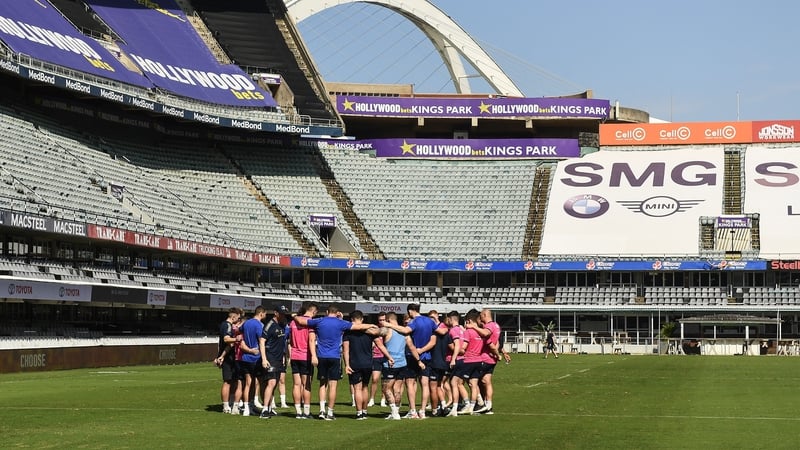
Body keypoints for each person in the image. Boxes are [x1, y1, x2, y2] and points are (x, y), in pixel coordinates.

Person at [294, 305, 377, 420]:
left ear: (327, 312)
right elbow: (358, 326)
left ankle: (322, 411)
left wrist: (294, 316)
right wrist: (371, 325)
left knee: (323, 384)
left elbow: (301, 321)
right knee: (333, 386)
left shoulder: (319, 321)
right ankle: (330, 412)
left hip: (321, 356)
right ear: (337, 312)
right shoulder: (341, 323)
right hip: (335, 357)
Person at [384, 303, 436, 419]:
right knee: (425, 384)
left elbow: (405, 331)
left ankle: (413, 411)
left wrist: (389, 324)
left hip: (412, 356)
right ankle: (422, 411)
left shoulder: (413, 322)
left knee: (410, 383)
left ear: (410, 311)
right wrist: (423, 350)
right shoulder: (430, 322)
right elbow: (434, 340)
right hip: (426, 356)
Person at [378, 312, 424, 420]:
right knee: (397, 389)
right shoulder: (405, 332)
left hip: (391, 364)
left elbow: (377, 333)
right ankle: (396, 411)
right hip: (402, 364)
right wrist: (419, 361)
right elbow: (412, 347)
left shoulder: (387, 330)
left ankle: (394, 412)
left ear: (388, 320)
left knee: (386, 388)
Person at [258, 306, 291, 419]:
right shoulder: (270, 325)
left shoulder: (282, 324)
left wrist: (285, 357)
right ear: (276, 313)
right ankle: (264, 410)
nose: (283, 316)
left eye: (284, 314)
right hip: (270, 358)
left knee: (275, 384)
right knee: (271, 383)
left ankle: (269, 408)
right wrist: (264, 359)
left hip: (279, 359)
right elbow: (262, 341)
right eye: (281, 313)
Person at [343, 310, 375, 420]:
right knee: (365, 387)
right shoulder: (369, 331)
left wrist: (347, 364)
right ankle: (365, 411)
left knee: (357, 388)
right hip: (368, 363)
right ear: (362, 319)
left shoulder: (348, 332)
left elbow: (346, 350)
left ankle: (359, 413)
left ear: (352, 320)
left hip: (355, 363)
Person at [450, 310, 483, 416]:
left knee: (459, 383)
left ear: (469, 321)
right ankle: (472, 407)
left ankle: (467, 404)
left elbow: (464, 347)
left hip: (469, 360)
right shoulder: (480, 332)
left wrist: (454, 348)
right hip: (479, 360)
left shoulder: (468, 332)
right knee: (474, 384)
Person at [289, 302, 317, 419]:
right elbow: (311, 340)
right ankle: (306, 411)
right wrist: (314, 355)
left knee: (296, 384)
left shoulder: (292, 323)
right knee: (307, 384)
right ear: (313, 311)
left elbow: (290, 341)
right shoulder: (310, 323)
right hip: (306, 356)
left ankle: (298, 411)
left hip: (294, 355)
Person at [239, 306, 267, 416]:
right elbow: (261, 341)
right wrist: (264, 357)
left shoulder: (246, 323)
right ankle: (258, 405)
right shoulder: (259, 325)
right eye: (265, 314)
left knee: (248, 383)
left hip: (245, 357)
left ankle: (247, 408)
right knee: (258, 382)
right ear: (261, 313)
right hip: (256, 357)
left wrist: (245, 346)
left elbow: (239, 331)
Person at [474, 308, 502, 414]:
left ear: (485, 315)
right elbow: (497, 342)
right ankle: (488, 405)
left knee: (472, 379)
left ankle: (480, 403)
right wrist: (496, 353)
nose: (480, 317)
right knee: (487, 381)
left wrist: (474, 327)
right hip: (492, 359)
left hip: (484, 358)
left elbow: (486, 334)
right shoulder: (496, 325)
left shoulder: (489, 326)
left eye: (481, 315)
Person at [215, 307, 241, 413]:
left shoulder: (227, 325)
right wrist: (236, 339)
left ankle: (230, 402)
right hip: (228, 359)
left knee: (234, 381)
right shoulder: (227, 325)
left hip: (229, 357)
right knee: (227, 381)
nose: (238, 320)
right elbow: (226, 339)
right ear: (234, 316)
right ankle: (225, 406)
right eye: (238, 317)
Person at [428, 310, 452, 416]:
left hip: (434, 362)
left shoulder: (432, 332)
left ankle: (434, 410)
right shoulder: (446, 332)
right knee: (438, 386)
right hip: (443, 362)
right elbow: (451, 346)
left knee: (433, 387)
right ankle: (443, 405)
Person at [368, 312, 387, 407]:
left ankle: (383, 399)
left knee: (385, 380)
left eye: (383, 320)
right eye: (380, 320)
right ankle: (372, 399)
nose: (382, 321)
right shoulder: (375, 330)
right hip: (376, 356)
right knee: (375, 379)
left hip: (386, 357)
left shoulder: (389, 330)